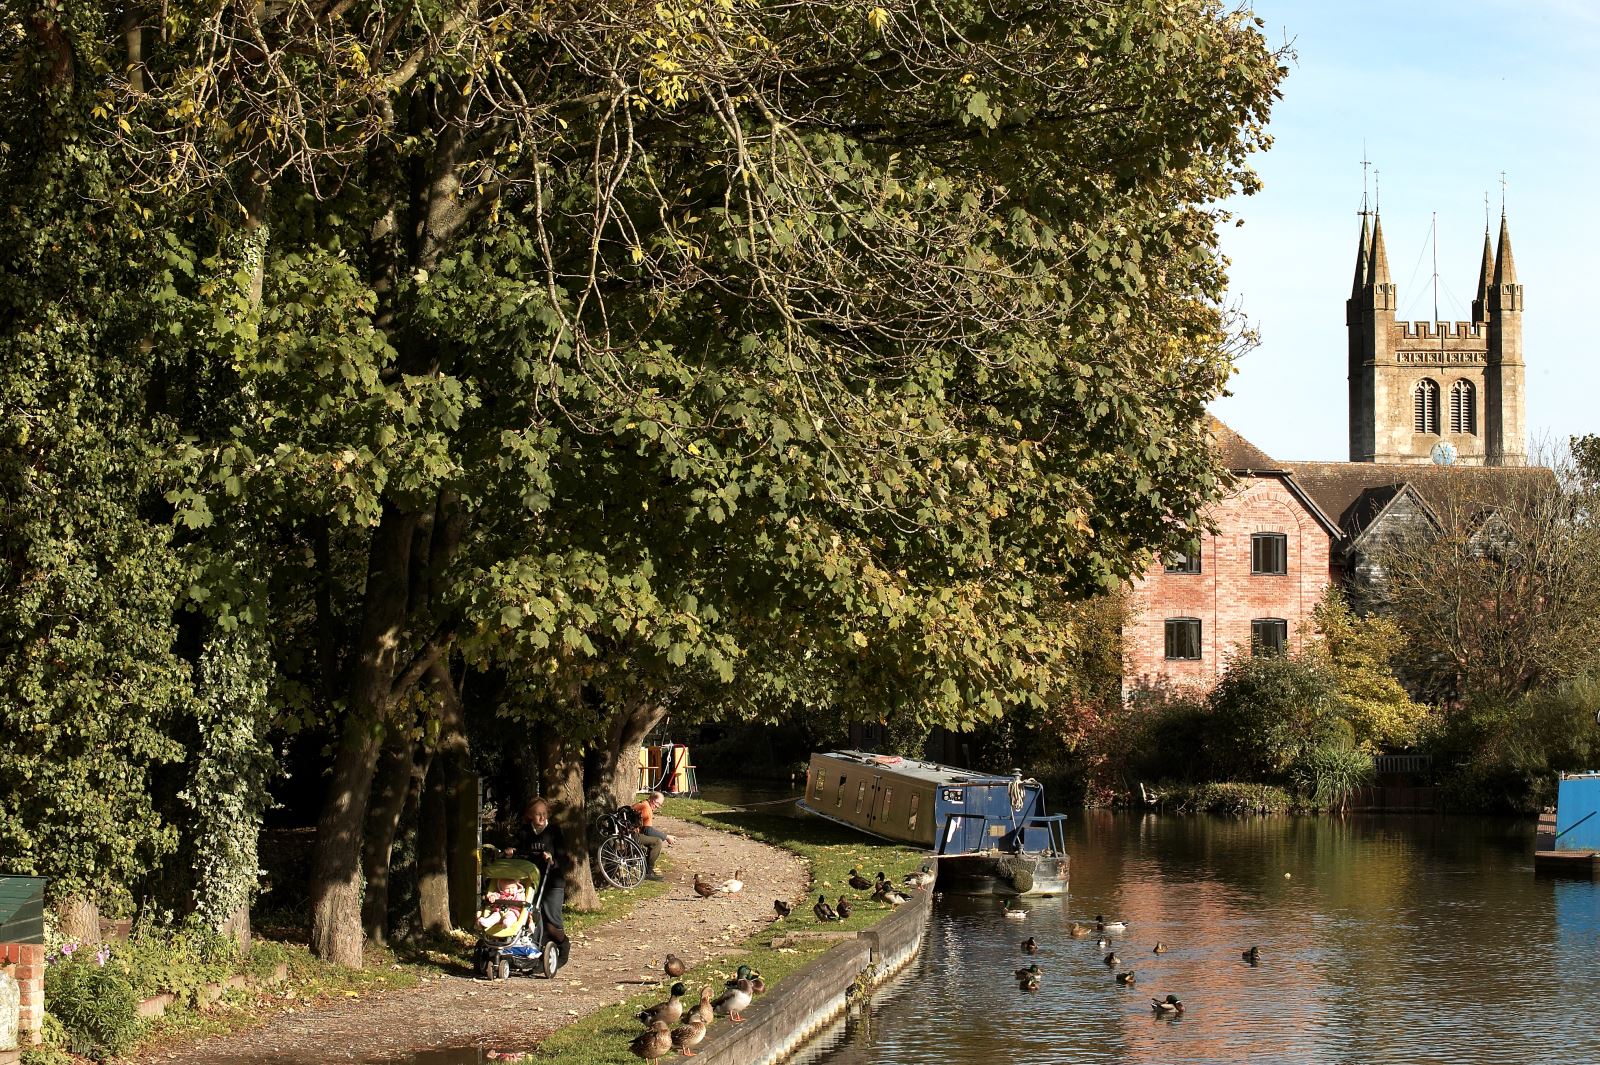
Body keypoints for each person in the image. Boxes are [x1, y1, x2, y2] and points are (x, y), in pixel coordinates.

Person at [506, 798, 571, 967]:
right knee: (530, 918)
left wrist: (552, 860)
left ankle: (563, 945)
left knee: (552, 922)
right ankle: (534, 955)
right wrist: (512, 852)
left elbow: (565, 860)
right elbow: (517, 849)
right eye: (537, 814)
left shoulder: (555, 831)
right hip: (530, 882)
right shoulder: (524, 832)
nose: (541, 817)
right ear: (530, 816)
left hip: (553, 882)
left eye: (544, 814)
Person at [629, 791, 677, 882]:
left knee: (654, 840)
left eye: (660, 805)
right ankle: (648, 872)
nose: (658, 806)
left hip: (629, 834)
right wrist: (666, 837)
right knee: (657, 842)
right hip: (632, 836)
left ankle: (647, 869)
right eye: (657, 803)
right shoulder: (646, 807)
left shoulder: (643, 804)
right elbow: (648, 831)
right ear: (652, 800)